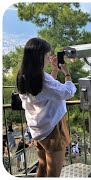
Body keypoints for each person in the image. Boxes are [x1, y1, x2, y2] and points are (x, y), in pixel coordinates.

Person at [16, 37, 77, 177]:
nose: (49, 58)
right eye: (47, 55)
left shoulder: (24, 76)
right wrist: (67, 73)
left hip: (37, 129)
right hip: (52, 128)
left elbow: (44, 92)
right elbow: (68, 92)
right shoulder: (42, 78)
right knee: (54, 174)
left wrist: (54, 71)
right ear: (39, 57)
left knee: (42, 169)